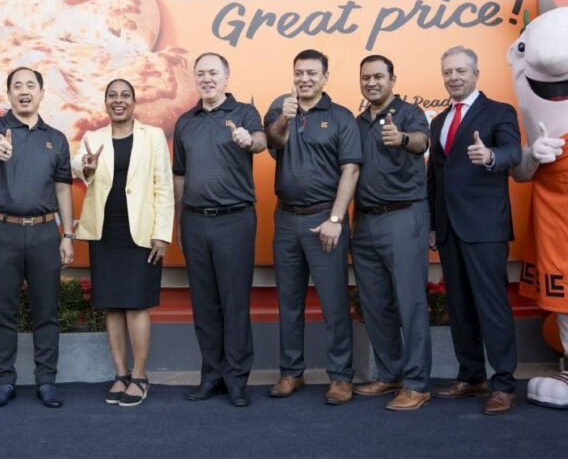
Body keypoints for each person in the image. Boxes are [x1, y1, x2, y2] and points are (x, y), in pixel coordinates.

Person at [427, 45, 522, 415]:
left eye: (460, 71)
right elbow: (434, 177)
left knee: (491, 306)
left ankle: (504, 384)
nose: (453, 77)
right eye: (447, 72)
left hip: (485, 227)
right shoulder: (439, 121)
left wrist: (492, 156)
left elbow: (514, 151)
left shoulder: (499, 111)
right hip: (449, 228)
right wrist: (433, 225)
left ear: (476, 74)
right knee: (459, 305)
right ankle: (471, 376)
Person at [264, 49, 361, 406]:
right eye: (299, 73)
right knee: (289, 301)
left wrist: (336, 219)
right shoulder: (280, 111)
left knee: (334, 303)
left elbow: (350, 170)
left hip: (325, 220)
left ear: (325, 77)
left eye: (311, 73)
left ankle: (341, 377)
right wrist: (285, 118)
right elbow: (273, 142)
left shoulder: (340, 117)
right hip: (286, 219)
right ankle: (292, 372)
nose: (304, 79)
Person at [71, 79, 173, 407]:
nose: (119, 100)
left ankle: (140, 376)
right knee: (111, 304)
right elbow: (78, 165)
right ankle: (120, 374)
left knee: (136, 304)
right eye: (112, 96)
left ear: (133, 102)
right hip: (105, 232)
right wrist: (85, 167)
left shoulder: (153, 136)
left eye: (125, 95)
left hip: (141, 232)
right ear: (105, 103)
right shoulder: (93, 137)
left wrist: (162, 232)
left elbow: (163, 185)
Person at [173, 52, 266, 407]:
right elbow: (179, 176)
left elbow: (260, 141)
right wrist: (180, 221)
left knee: (234, 303)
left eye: (213, 72)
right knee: (204, 304)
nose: (207, 79)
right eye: (201, 73)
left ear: (227, 77)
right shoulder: (185, 122)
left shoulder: (244, 113)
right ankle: (211, 375)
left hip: (234, 220)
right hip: (195, 222)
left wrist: (247, 141)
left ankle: (237, 379)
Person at [0, 67, 75, 409]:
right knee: (3, 310)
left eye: (30, 86)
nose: (24, 91)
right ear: (8, 94)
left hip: (44, 232)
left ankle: (46, 381)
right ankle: (4, 381)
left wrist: (68, 234)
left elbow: (63, 188)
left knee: (46, 310)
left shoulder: (57, 139)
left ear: (41, 93)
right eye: (17, 86)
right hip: (3, 231)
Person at [350, 55, 432, 411]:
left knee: (410, 303)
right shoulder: (356, 123)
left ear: (392, 80)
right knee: (375, 302)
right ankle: (390, 374)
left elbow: (421, 141)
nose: (371, 83)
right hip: (365, 220)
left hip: (403, 216)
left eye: (378, 77)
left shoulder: (409, 113)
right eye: (366, 78)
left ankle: (416, 384)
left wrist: (401, 138)